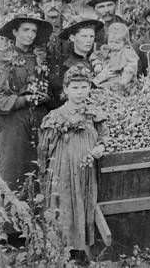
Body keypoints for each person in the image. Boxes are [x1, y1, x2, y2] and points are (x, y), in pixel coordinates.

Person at [37, 64, 106, 263]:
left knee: (85, 203)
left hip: (86, 170)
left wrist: (100, 147)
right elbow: (44, 147)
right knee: (65, 204)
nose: (79, 92)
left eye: (84, 87)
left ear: (89, 89)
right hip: (64, 169)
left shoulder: (94, 114)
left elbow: (103, 136)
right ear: (66, 90)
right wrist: (48, 171)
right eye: (75, 88)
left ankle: (81, 249)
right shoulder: (56, 116)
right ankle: (62, 250)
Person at [0, 10, 53, 191]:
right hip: (13, 123)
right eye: (25, 30)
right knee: (12, 173)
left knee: (39, 171)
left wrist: (45, 96)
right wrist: (25, 99)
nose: (30, 35)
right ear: (14, 32)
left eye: (34, 31)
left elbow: (47, 86)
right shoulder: (3, 59)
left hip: (39, 120)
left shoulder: (39, 57)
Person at [58, 17, 103, 109]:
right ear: (72, 38)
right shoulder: (68, 65)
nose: (89, 40)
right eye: (84, 36)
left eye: (91, 36)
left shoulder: (97, 59)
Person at [32, 0, 72, 78]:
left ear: (62, 5)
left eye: (56, 1)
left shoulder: (71, 27)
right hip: (42, 77)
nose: (53, 5)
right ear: (41, 6)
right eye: (48, 1)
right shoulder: (34, 29)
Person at [90, 22, 139, 95]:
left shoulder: (127, 51)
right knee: (100, 89)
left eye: (117, 42)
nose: (113, 45)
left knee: (119, 90)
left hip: (120, 78)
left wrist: (125, 77)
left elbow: (132, 65)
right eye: (111, 42)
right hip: (106, 77)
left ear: (124, 42)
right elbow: (96, 56)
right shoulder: (106, 49)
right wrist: (97, 64)